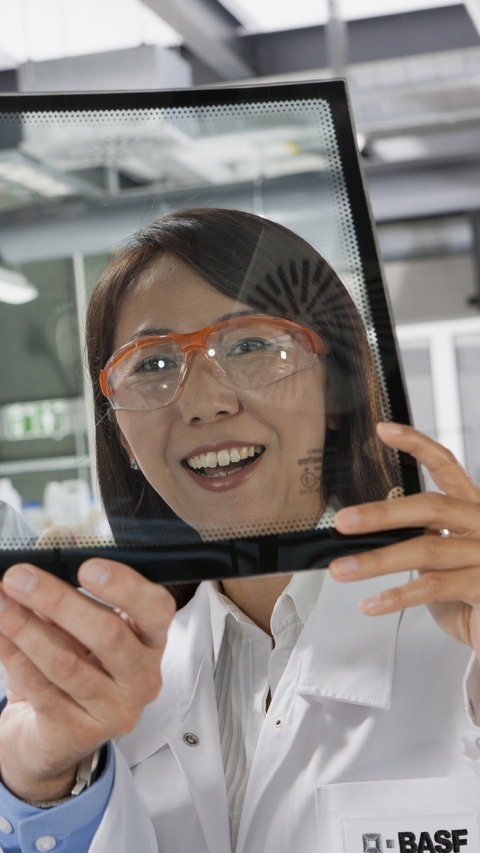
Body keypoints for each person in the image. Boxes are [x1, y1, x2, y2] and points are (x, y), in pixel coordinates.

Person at [0, 209, 478, 852]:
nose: (204, 401)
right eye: (152, 364)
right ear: (119, 431)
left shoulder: (460, 631)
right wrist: (40, 785)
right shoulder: (89, 679)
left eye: (251, 345)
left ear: (335, 388)